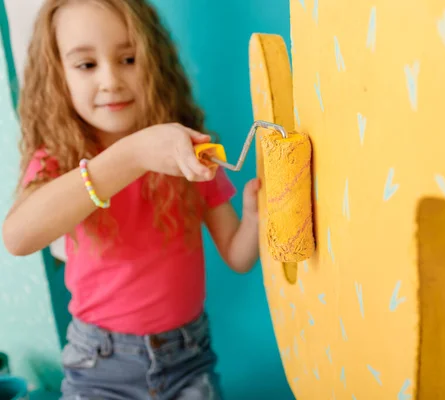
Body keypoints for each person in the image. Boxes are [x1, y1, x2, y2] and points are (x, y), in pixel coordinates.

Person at [1, 0, 260, 398]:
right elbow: (17, 237)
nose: (111, 80)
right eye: (87, 65)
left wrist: (256, 216)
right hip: (99, 367)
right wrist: (131, 156)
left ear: (153, 62)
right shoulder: (56, 160)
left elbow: (238, 257)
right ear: (58, 76)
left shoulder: (188, 152)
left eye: (128, 58)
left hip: (188, 360)